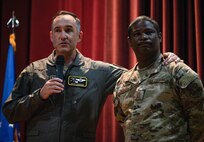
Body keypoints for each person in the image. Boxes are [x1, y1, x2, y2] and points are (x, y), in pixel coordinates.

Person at [2, 11, 181, 142]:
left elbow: (137, 75)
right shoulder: (33, 71)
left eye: (69, 30)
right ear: (51, 36)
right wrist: (39, 96)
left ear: (79, 36)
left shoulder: (98, 71)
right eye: (58, 30)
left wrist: (161, 58)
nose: (63, 35)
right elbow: (10, 112)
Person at [113, 15, 204, 142]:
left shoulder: (178, 73)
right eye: (137, 34)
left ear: (160, 37)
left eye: (149, 32)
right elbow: (122, 120)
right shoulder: (123, 81)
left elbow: (199, 121)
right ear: (129, 41)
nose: (143, 37)